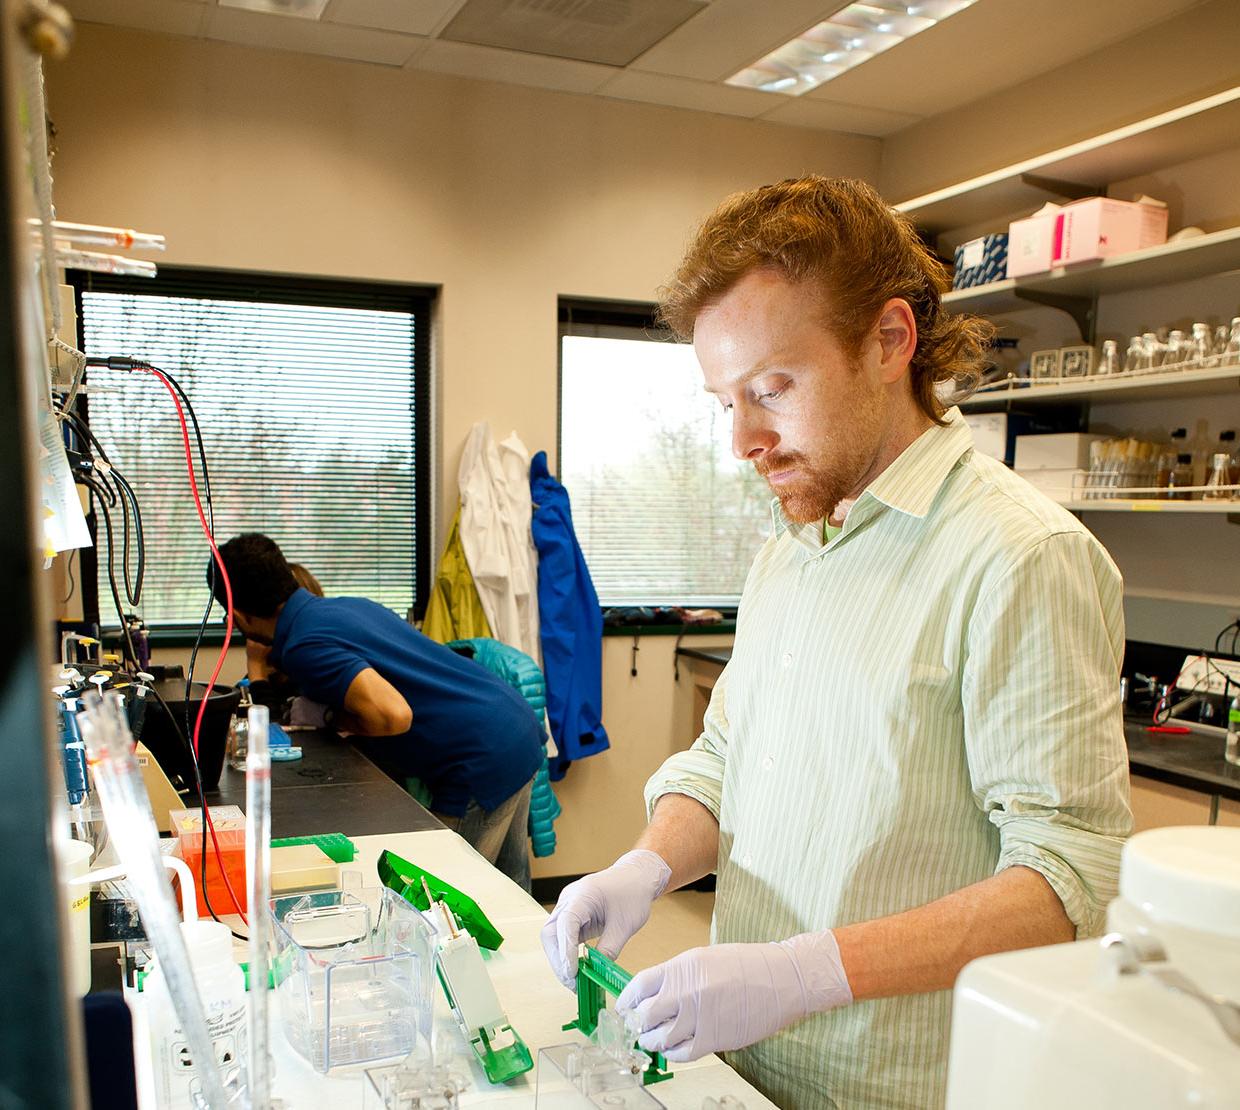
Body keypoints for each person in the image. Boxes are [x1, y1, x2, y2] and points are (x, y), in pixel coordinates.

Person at [540, 177, 1133, 1109]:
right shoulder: (791, 549)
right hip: (748, 1069)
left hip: (892, 1083)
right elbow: (729, 760)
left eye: (773, 387)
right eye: (724, 400)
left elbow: (1067, 883)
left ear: (890, 340)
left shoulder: (1023, 558)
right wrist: (642, 866)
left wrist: (800, 975)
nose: (743, 437)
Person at [212, 533, 546, 890]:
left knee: (444, 897)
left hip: (481, 753)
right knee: (510, 888)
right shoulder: (347, 607)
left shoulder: (304, 645)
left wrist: (326, 717)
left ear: (237, 615)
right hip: (512, 722)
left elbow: (394, 715)